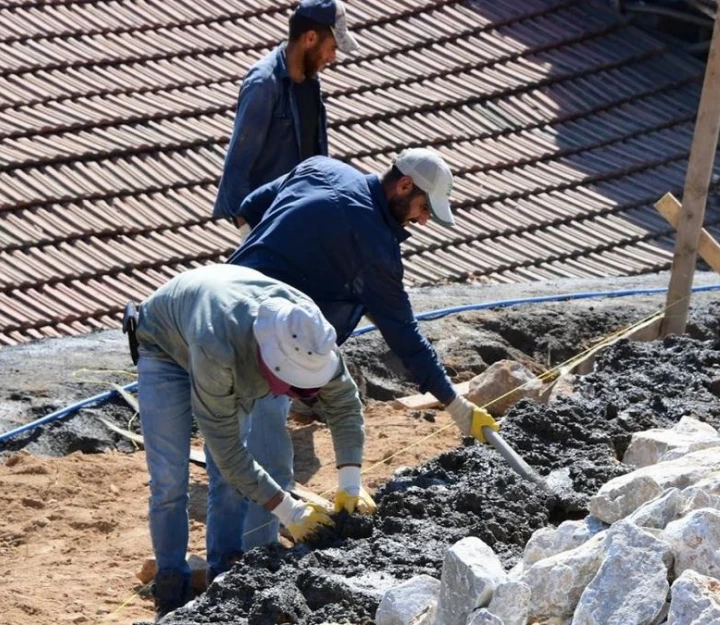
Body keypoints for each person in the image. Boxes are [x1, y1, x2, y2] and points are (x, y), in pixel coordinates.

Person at [226, 148, 499, 549]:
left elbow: (248, 208)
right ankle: (254, 562)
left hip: (228, 309)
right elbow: (406, 337)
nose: (423, 219)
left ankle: (224, 557)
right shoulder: (373, 246)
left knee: (231, 444)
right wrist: (454, 404)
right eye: (424, 207)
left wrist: (256, 266)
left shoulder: (323, 167)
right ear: (405, 185)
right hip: (275, 348)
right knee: (269, 458)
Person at [128, 263, 376, 619]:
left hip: (223, 335)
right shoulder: (219, 348)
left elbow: (344, 404)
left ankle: (226, 579)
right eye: (294, 387)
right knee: (169, 479)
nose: (298, 396)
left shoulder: (308, 330)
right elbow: (228, 450)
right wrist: (289, 511)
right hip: (164, 347)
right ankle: (171, 585)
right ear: (270, 365)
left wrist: (351, 482)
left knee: (230, 485)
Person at [212, 0, 358, 237]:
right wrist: (249, 233)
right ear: (310, 38)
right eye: (332, 47)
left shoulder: (310, 82)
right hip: (267, 227)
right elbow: (236, 170)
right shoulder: (263, 84)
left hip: (302, 223)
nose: (333, 58)